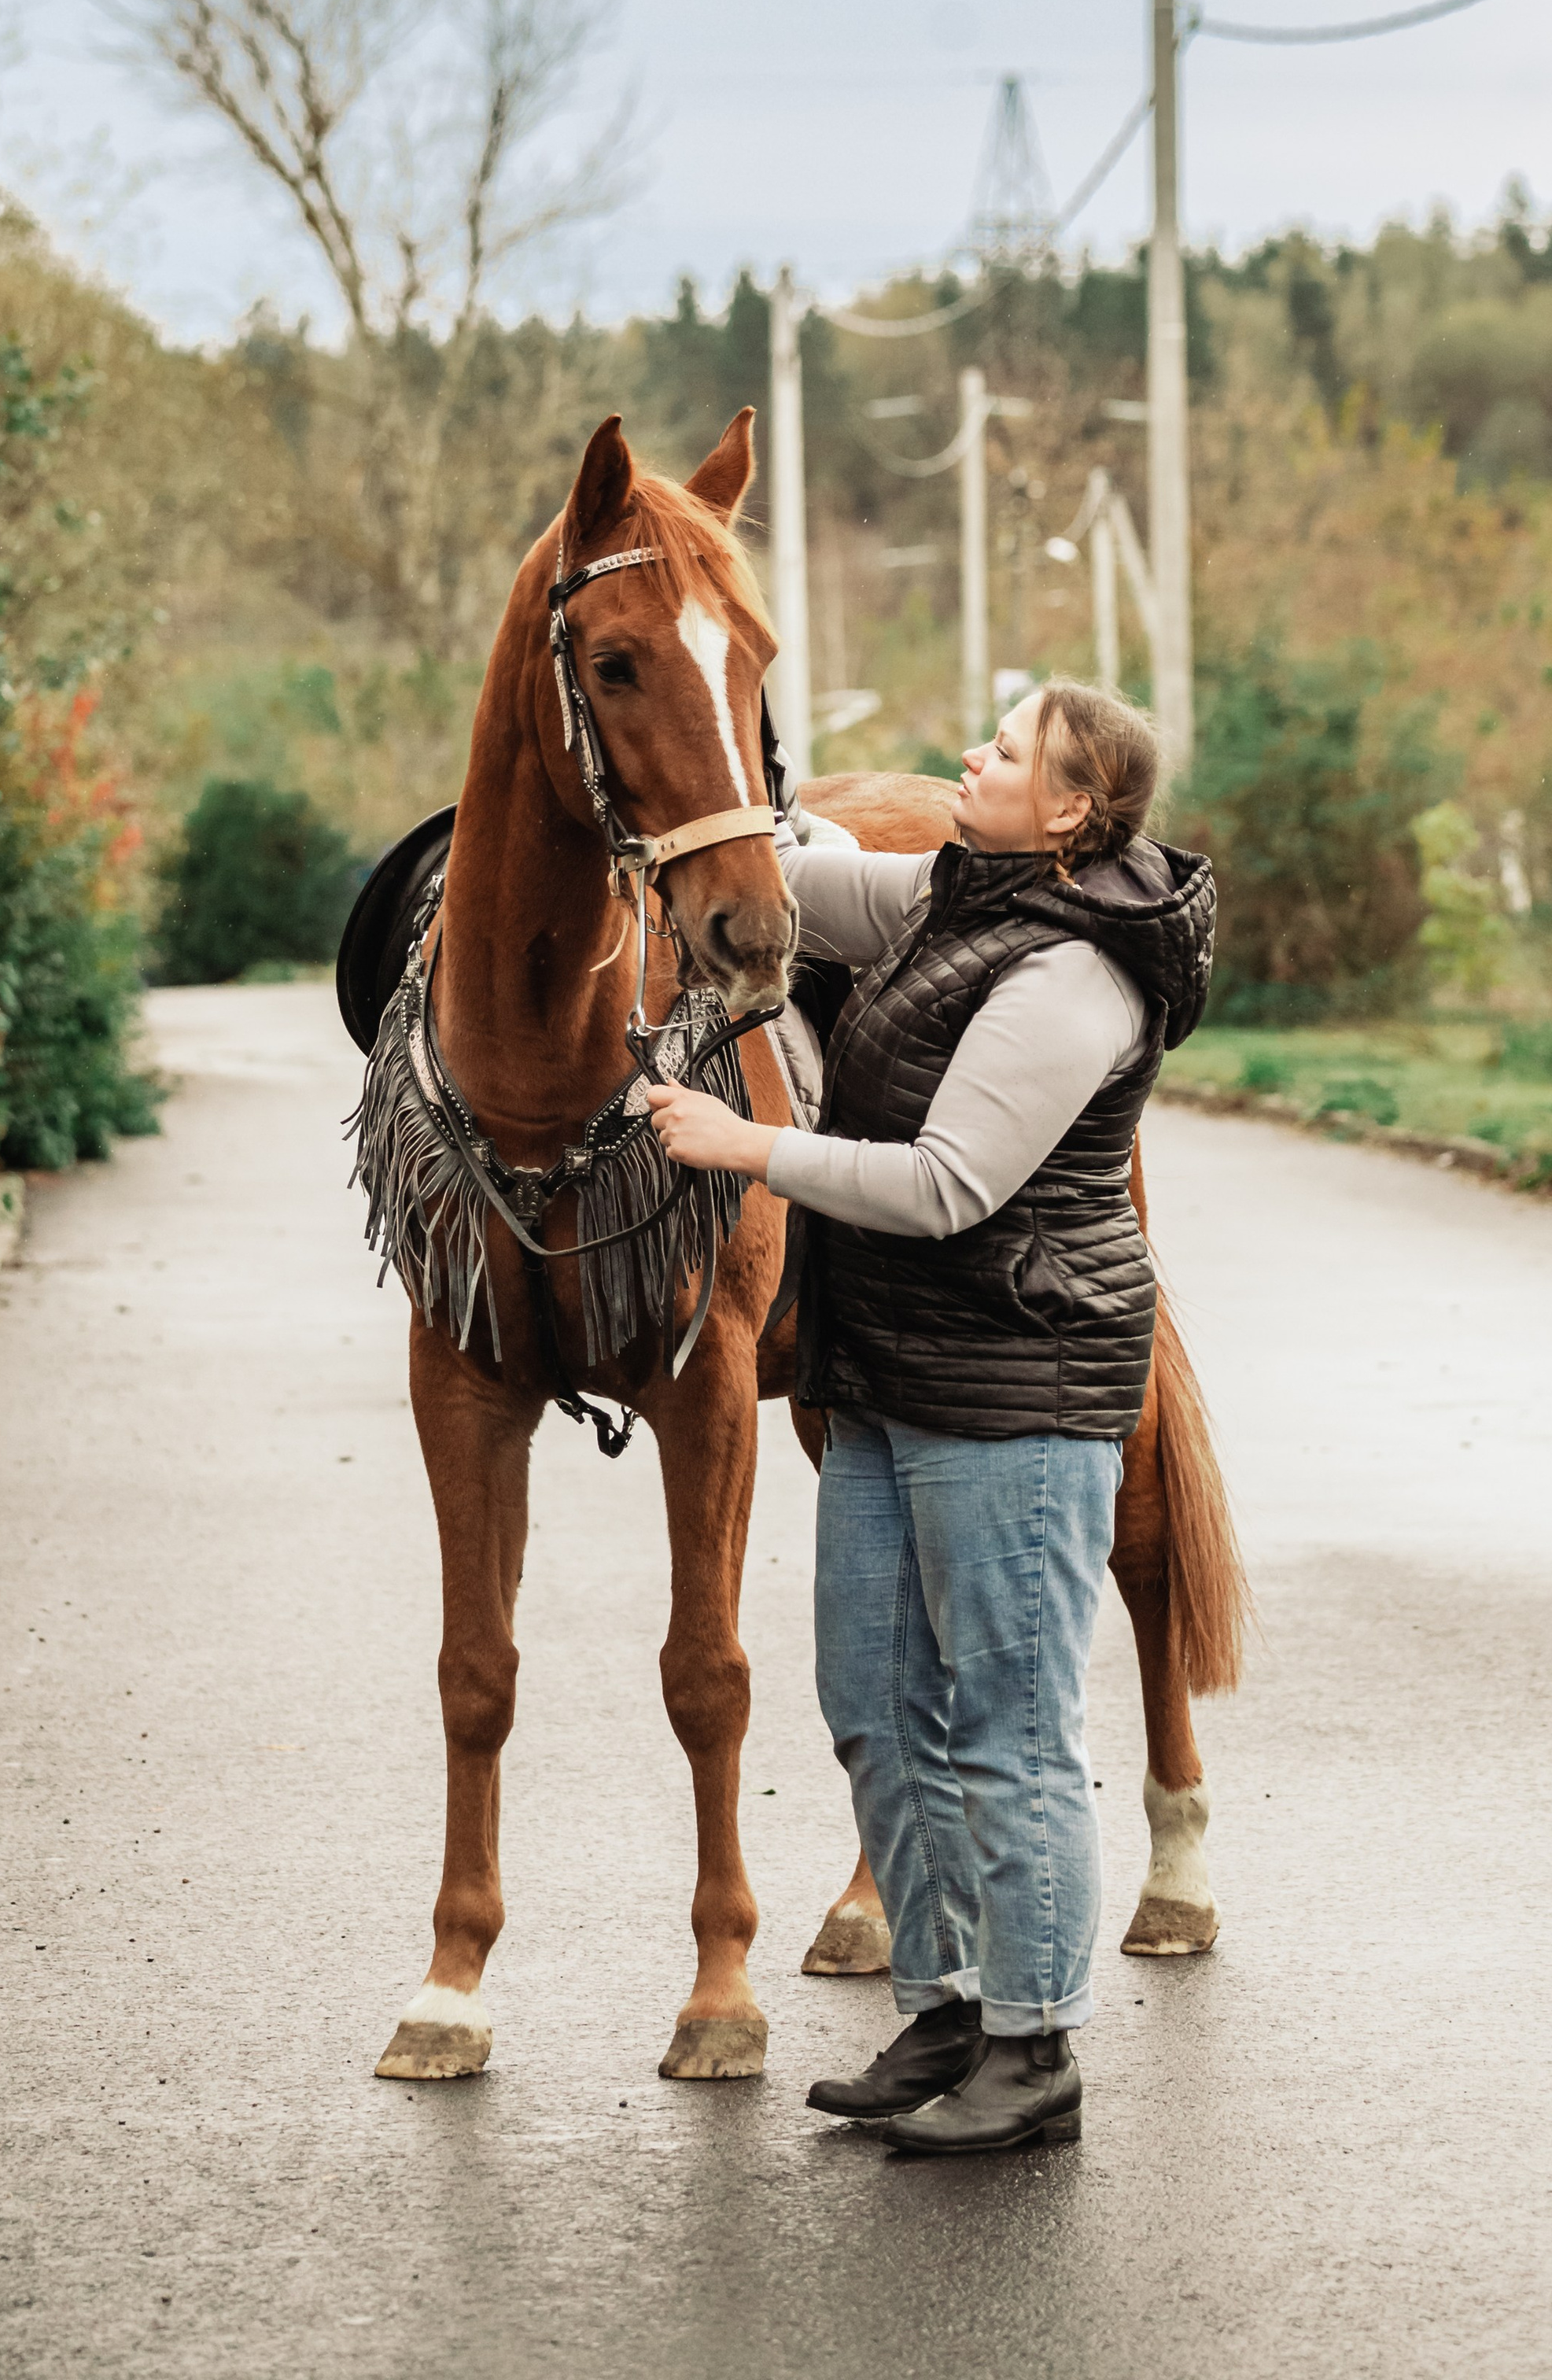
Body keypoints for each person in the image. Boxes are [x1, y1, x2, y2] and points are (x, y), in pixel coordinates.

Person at [647, 678, 1214, 2154]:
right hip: (892, 1375)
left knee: (1008, 1728)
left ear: (1073, 811)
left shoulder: (1076, 974)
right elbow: (807, 877)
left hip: (1016, 1386)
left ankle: (1036, 2053)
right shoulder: (958, 892)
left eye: (1008, 749)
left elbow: (949, 1184)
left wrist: (752, 1145)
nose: (974, 752)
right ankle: (949, 2002)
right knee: (875, 1701)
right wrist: (707, 782)